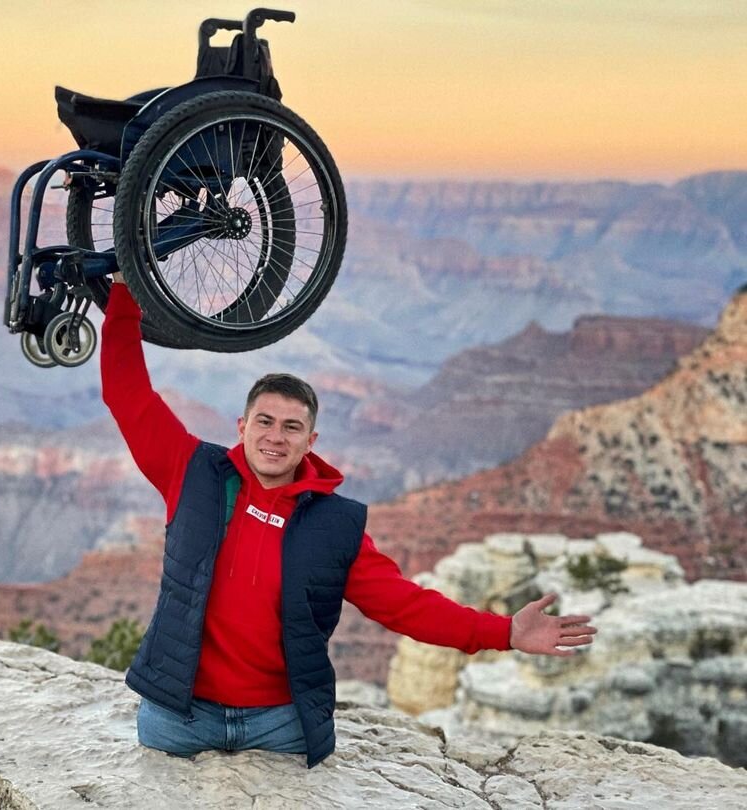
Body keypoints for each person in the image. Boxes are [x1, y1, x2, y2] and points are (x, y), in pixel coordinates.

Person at [100, 274, 597, 768]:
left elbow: (405, 606)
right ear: (242, 426)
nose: (275, 437)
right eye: (264, 422)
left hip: (280, 725)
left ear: (310, 441)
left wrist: (504, 632)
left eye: (292, 427)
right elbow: (127, 393)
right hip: (180, 716)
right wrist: (124, 291)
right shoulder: (192, 472)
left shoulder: (335, 525)